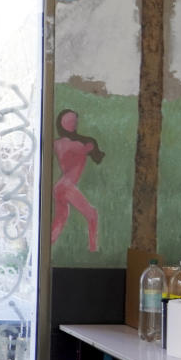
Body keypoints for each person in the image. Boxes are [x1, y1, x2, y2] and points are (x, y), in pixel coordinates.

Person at [51, 108, 105, 252]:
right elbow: (87, 148)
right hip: (66, 187)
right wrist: (91, 146)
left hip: (60, 187)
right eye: (70, 121)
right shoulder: (71, 144)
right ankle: (93, 249)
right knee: (92, 214)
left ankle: (47, 245)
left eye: (75, 120)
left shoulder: (60, 143)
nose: (73, 123)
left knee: (60, 220)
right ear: (61, 123)